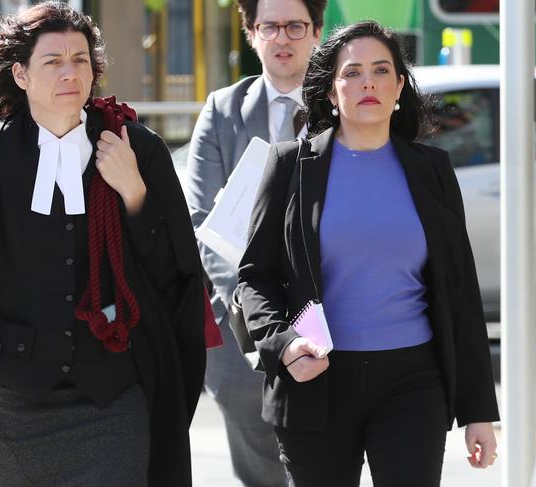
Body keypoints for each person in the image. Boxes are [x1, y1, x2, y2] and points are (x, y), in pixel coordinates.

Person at [0, 2, 206, 486]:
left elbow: (175, 275)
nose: (71, 72)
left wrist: (135, 195)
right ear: (20, 75)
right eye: (53, 61)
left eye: (81, 59)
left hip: (114, 395)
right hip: (12, 401)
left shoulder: (136, 149)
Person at [237, 20, 500, 486]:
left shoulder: (432, 170)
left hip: (413, 381)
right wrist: (284, 344)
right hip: (315, 379)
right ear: (331, 92)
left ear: (400, 85)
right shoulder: (289, 166)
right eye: (352, 73)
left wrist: (478, 411)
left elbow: (458, 291)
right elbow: (255, 277)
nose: (368, 83)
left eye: (381, 71)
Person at [185, 1, 326, 485]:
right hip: (241, 328)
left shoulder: (341, 102)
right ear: (250, 33)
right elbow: (202, 219)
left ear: (316, 31)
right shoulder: (223, 110)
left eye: (295, 26)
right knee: (260, 473)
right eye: (269, 26)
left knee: (324, 465)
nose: (282, 38)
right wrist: (252, 303)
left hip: (328, 318)